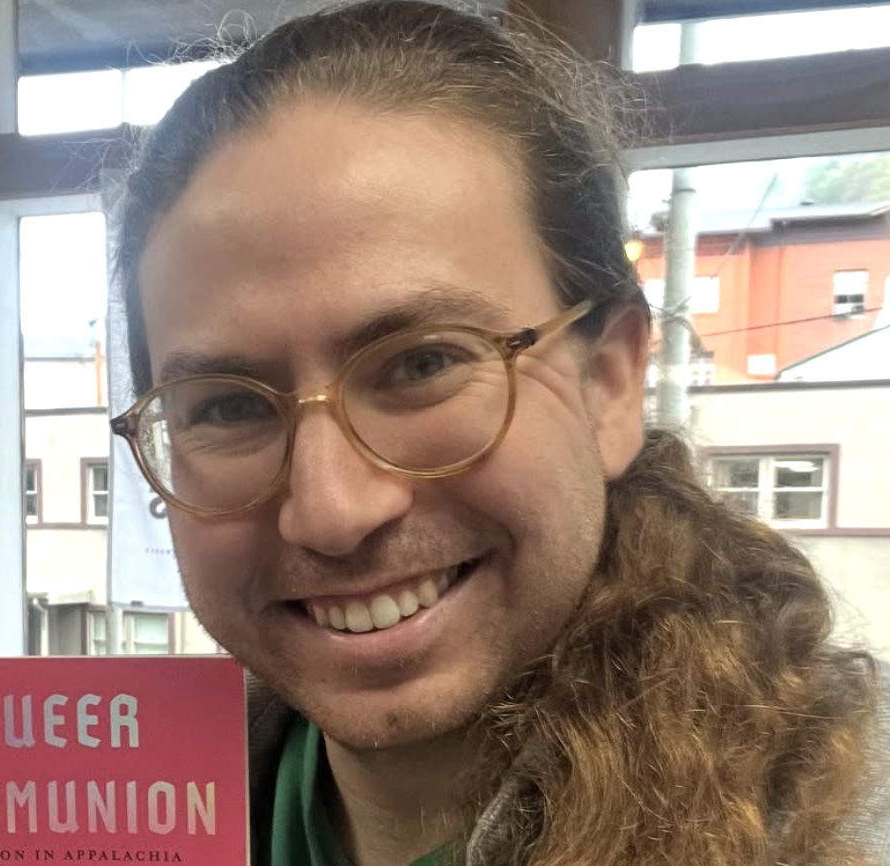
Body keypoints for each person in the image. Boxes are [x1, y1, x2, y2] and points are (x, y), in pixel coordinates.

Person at [108, 2, 888, 864]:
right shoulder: (128, 813)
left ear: (610, 382)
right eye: (227, 407)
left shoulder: (836, 827)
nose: (330, 513)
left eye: (423, 364)